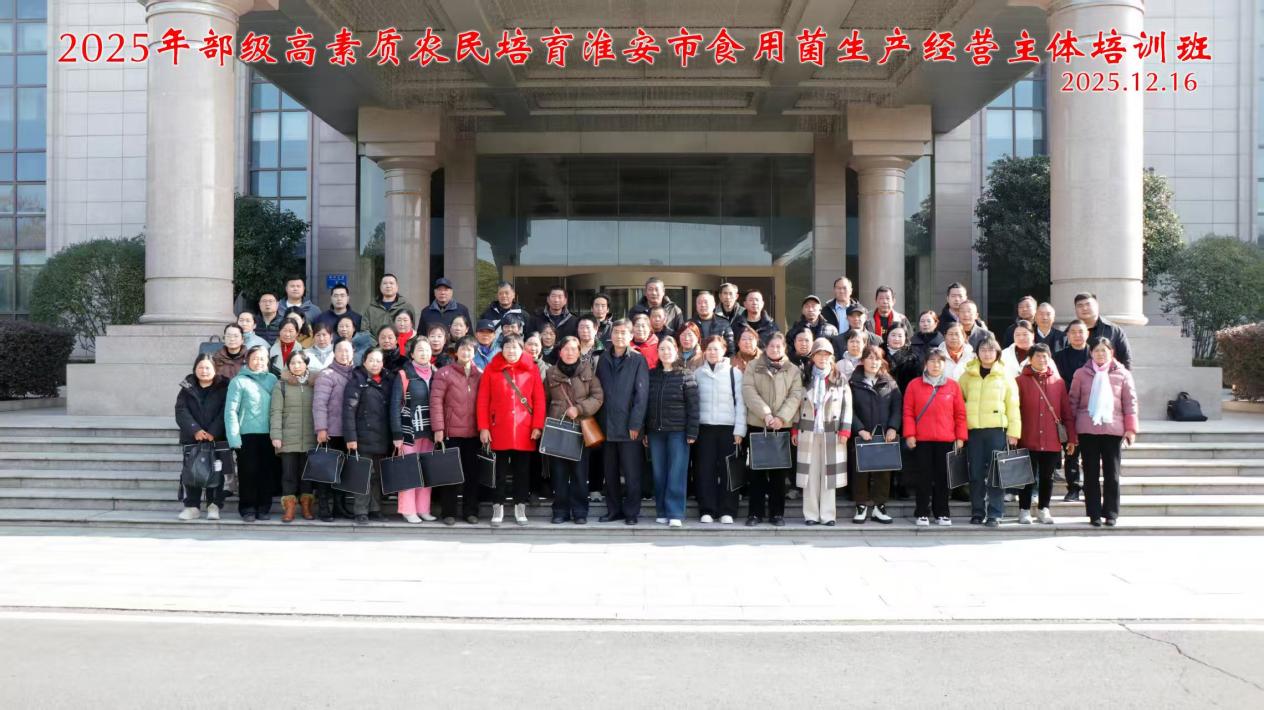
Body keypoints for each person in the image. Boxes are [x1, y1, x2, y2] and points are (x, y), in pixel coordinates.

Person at [1069, 337, 1139, 527]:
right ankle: (1094, 514)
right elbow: (1073, 402)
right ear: (1091, 353)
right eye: (1096, 350)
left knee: (1112, 474)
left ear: (1111, 353)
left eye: (1104, 350)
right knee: (1090, 474)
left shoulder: (1122, 374)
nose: (1100, 354)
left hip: (1113, 429)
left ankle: (1111, 513)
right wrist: (1071, 431)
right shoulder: (1081, 374)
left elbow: (1130, 403)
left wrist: (1131, 429)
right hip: (1087, 429)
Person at [477, 335, 546, 527]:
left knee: (522, 472)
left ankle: (520, 506)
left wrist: (537, 425)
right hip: (498, 427)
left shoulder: (531, 368)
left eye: (515, 347)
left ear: (522, 349)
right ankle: (497, 505)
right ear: (502, 349)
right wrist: (483, 427)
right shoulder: (492, 368)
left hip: (525, 429)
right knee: (499, 472)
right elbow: (483, 400)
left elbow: (539, 400)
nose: (511, 351)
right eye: (507, 347)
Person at [742, 332, 804, 527]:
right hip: (758, 424)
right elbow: (749, 391)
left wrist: (781, 417)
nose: (775, 349)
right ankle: (755, 513)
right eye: (771, 346)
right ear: (765, 347)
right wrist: (766, 414)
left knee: (779, 473)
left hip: (781, 426)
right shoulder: (753, 366)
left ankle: (777, 513)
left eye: (779, 346)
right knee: (757, 471)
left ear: (784, 348)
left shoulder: (792, 369)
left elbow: (795, 395)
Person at [959, 337, 1021, 527]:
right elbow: (959, 405)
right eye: (983, 350)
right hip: (974, 432)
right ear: (977, 353)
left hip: (997, 431)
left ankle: (995, 513)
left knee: (996, 473)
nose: (987, 354)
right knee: (975, 473)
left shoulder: (1005, 375)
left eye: (991, 350)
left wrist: (1014, 432)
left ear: (997, 353)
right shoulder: (967, 376)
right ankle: (977, 511)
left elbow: (1013, 405)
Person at [902, 350, 968, 526]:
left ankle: (942, 512)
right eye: (931, 361)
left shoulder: (953, 386)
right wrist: (910, 434)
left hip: (946, 439)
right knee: (923, 477)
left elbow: (960, 414)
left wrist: (960, 437)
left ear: (944, 365)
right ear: (925, 364)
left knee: (942, 477)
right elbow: (908, 412)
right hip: (922, 439)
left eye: (939, 361)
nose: (935, 365)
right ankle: (921, 512)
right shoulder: (914, 385)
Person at [544, 336, 605, 525]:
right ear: (559, 352)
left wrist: (579, 409)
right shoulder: (550, 373)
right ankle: (560, 511)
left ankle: (580, 511)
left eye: (573, 349)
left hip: (580, 429)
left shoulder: (588, 371)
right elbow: (543, 400)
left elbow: (598, 397)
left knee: (579, 474)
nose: (570, 353)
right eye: (566, 349)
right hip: (557, 429)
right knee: (559, 473)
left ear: (579, 352)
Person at [596, 319, 650, 524]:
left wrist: (636, 424)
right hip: (607, 425)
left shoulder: (638, 359)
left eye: (623, 333)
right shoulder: (603, 359)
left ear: (630, 336)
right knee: (609, 473)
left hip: (629, 427)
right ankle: (613, 510)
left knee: (632, 473)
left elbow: (641, 395)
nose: (619, 336)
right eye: (616, 332)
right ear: (611, 335)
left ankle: (631, 512)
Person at [1016, 344, 1078, 525]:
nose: (1042, 360)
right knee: (1026, 476)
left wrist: (1071, 438)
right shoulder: (1019, 381)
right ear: (1030, 359)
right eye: (1038, 356)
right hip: (1027, 436)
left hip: (1051, 439)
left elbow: (1066, 412)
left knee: (1047, 477)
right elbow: (1014, 410)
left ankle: (1044, 508)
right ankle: (1024, 509)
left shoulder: (1058, 382)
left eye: (1045, 356)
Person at [792, 338, 851, 526]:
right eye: (819, 354)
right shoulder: (804, 377)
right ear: (813, 356)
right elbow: (796, 405)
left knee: (829, 474)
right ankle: (810, 514)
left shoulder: (839, 378)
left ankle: (828, 515)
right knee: (809, 474)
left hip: (831, 431)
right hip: (807, 430)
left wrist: (845, 430)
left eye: (826, 354)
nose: (823, 358)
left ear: (831, 357)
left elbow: (847, 406)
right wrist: (795, 429)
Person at [645, 337, 699, 528]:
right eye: (662, 349)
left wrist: (692, 432)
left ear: (676, 351)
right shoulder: (651, 375)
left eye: (669, 349)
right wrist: (645, 430)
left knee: (676, 472)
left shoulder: (686, 375)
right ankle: (661, 510)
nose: (665, 352)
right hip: (655, 432)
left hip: (678, 432)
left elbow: (694, 407)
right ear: (657, 352)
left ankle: (675, 512)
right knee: (659, 473)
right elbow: (645, 405)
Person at [431, 337, 485, 524]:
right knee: (450, 473)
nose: (466, 352)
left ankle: (471, 511)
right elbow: (436, 402)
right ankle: (448, 512)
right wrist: (438, 428)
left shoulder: (480, 374)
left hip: (473, 433)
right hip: (450, 432)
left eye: (470, 349)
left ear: (475, 353)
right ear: (456, 351)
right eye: (463, 348)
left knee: (472, 475)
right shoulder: (444, 373)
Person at [693, 335, 746, 525]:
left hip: (728, 429)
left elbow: (741, 403)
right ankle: (707, 509)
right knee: (704, 470)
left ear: (724, 350)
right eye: (709, 349)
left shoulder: (734, 373)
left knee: (728, 470)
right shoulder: (698, 374)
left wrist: (739, 430)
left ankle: (727, 510)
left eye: (716, 349)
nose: (712, 352)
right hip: (704, 428)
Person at [225, 346, 279, 522]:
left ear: (267, 361)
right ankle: (247, 508)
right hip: (246, 435)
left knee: (266, 472)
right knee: (248, 473)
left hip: (269, 434)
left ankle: (264, 507)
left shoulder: (272, 380)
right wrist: (234, 437)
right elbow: (231, 411)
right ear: (247, 360)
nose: (258, 362)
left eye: (262, 358)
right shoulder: (238, 381)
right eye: (255, 358)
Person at [848, 344, 901, 524]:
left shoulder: (890, 382)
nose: (873, 362)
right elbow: (848, 409)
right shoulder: (853, 382)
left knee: (883, 471)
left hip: (884, 434)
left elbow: (897, 407)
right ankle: (861, 505)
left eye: (877, 358)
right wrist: (859, 429)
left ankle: (880, 506)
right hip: (862, 433)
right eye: (869, 358)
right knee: (860, 471)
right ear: (862, 360)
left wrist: (893, 427)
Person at [175, 354, 229, 521]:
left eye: (207, 367)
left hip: (217, 438)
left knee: (217, 473)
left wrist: (213, 431)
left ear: (215, 369)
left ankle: (214, 505)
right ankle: (192, 507)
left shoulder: (224, 386)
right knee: (191, 471)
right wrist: (195, 430)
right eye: (200, 367)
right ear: (195, 369)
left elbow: (226, 410)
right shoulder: (187, 387)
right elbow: (181, 410)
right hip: (193, 439)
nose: (204, 371)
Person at [343, 348, 394, 524]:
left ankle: (375, 509)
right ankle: (361, 511)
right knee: (363, 475)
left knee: (377, 476)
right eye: (371, 360)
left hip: (382, 437)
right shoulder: (357, 381)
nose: (375, 364)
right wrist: (351, 438)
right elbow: (348, 411)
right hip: (362, 436)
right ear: (364, 361)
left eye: (378, 361)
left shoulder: (388, 381)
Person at [390, 337, 439, 524]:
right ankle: (408, 510)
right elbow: (395, 405)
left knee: (426, 472)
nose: (424, 353)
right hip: (408, 431)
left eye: (427, 350)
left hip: (429, 431)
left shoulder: (436, 374)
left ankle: (423, 509)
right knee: (409, 472)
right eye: (420, 350)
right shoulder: (404, 375)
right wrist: (397, 433)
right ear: (412, 354)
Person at [270, 349, 317, 523]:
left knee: (307, 475)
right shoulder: (281, 385)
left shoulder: (315, 383)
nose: (296, 366)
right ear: (288, 365)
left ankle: (306, 506)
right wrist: (276, 435)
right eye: (292, 363)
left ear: (306, 364)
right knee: (288, 475)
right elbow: (275, 411)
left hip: (310, 437)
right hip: (287, 437)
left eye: (300, 362)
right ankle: (289, 508)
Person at [312, 339, 355, 521]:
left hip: (348, 433)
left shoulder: (356, 374)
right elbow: (319, 404)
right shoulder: (327, 375)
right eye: (340, 350)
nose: (344, 354)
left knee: (343, 473)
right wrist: (321, 428)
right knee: (326, 472)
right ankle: (323, 508)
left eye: (348, 351)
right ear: (334, 353)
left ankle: (340, 506)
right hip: (331, 433)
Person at [1054, 320, 1092, 501]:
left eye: (1081, 331)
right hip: (1067, 408)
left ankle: (1091, 487)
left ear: (1087, 334)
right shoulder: (1058, 357)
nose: (1077, 335)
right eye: (1073, 332)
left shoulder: (1096, 354)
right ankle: (1073, 487)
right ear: (1067, 335)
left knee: (1091, 452)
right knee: (1071, 451)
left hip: (1091, 410)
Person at [1072, 292, 1133, 369]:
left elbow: (1126, 358)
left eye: (1088, 304)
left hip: (1109, 375)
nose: (1084, 308)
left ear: (1097, 306)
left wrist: (1122, 375)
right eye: (1080, 306)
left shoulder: (1114, 330)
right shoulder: (1069, 333)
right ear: (1075, 309)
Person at [690, 290, 735, 355]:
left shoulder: (724, 323)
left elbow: (731, 349)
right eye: (699, 303)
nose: (702, 305)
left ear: (714, 305)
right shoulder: (690, 324)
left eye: (706, 302)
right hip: (695, 360)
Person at [885, 326, 922, 393]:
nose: (896, 339)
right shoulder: (878, 353)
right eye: (893, 335)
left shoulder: (912, 358)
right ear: (887, 336)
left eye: (900, 336)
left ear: (905, 338)